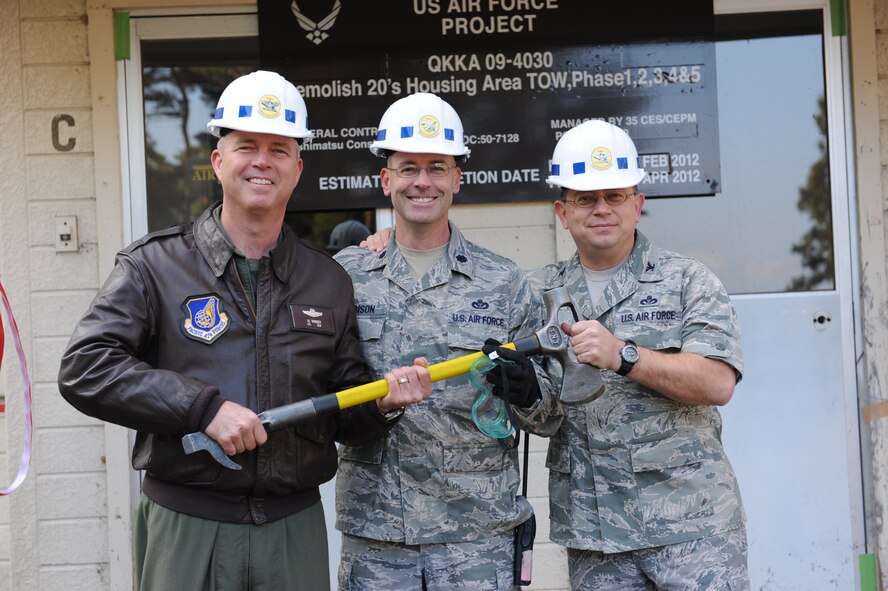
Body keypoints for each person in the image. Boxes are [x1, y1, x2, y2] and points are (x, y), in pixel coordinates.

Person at [56, 70, 431, 591]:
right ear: (218, 161)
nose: (262, 161)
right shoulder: (154, 266)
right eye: (246, 146)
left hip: (292, 527)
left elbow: (345, 407)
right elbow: (85, 368)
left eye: (279, 150)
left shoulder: (326, 279)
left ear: (297, 170)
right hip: (188, 523)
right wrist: (202, 407)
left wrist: (383, 403)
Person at [332, 92, 558, 590]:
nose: (422, 181)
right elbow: (324, 393)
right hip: (377, 536)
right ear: (385, 178)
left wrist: (526, 392)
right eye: (407, 167)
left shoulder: (505, 282)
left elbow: (549, 417)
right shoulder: (343, 278)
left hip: (476, 536)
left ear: (457, 178)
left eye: (438, 167)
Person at [535, 119, 748, 590]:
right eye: (585, 198)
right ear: (561, 211)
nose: (601, 209)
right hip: (596, 536)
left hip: (692, 525)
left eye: (615, 196)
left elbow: (717, 383)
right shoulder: (538, 292)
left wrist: (623, 355)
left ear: (638, 204)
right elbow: (539, 410)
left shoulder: (688, 281)